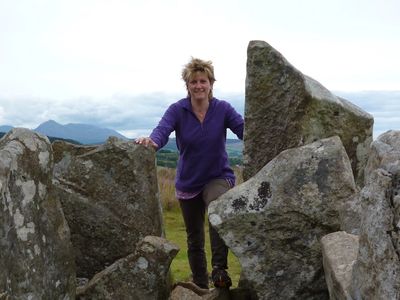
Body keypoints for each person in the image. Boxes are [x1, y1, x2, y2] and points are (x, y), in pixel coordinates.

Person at [135, 57, 244, 289]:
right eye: (193, 82)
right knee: (194, 238)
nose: (198, 86)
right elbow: (162, 130)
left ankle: (219, 271)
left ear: (211, 83)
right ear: (188, 86)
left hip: (218, 175)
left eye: (203, 81)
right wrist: (152, 141)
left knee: (217, 211)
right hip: (188, 181)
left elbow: (245, 130)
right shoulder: (178, 110)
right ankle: (202, 286)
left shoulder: (222, 108)